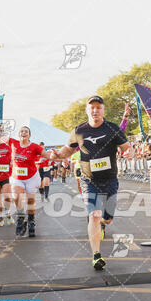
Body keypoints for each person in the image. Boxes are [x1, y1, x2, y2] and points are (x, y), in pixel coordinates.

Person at [51, 95, 133, 270]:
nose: (95, 110)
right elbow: (68, 150)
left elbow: (127, 148)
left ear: (103, 110)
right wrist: (58, 155)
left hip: (110, 179)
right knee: (94, 215)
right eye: (92, 107)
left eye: (98, 107)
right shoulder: (79, 130)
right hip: (89, 180)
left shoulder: (112, 129)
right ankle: (96, 255)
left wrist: (129, 153)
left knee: (107, 219)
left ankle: (104, 223)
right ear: (87, 110)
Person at [9, 126, 52, 237]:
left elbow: (48, 155)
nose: (24, 133)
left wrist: (57, 156)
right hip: (17, 177)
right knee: (16, 196)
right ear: (19, 134)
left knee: (30, 201)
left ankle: (31, 221)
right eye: (21, 131)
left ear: (29, 135)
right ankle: (20, 217)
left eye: (26, 131)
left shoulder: (34, 147)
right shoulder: (13, 143)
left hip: (31, 177)